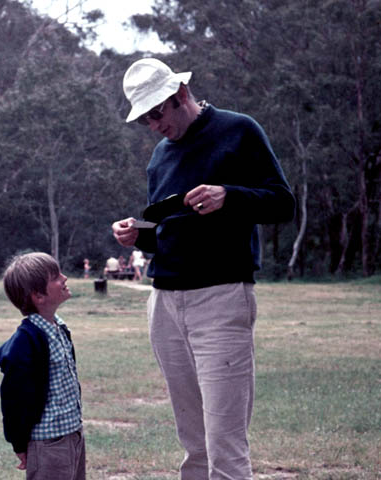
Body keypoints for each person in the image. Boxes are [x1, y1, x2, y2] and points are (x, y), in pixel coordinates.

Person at [111, 58, 295, 480]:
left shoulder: (238, 130)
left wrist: (228, 195)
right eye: (144, 120)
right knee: (193, 444)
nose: (154, 126)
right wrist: (136, 237)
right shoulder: (160, 156)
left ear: (179, 96)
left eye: (156, 114)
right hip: (165, 304)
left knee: (224, 447)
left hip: (221, 299)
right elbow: (168, 235)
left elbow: (282, 202)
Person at [0, 252, 85, 480]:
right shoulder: (26, 343)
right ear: (38, 296)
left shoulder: (59, 328)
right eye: (56, 277)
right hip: (49, 444)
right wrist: (19, 443)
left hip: (72, 435)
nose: (64, 278)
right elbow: (14, 400)